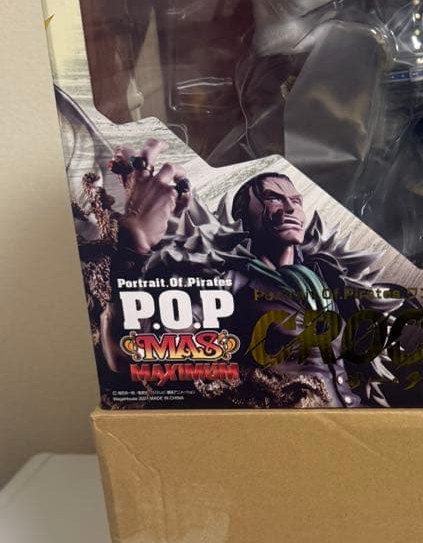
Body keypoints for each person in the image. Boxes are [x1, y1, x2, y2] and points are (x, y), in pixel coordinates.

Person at [101, 139, 405, 407]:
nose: (290, 209)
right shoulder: (230, 282)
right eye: (273, 198)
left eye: (295, 201)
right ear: (243, 217)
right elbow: (131, 351)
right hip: (282, 435)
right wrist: (134, 247)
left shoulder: (325, 274)